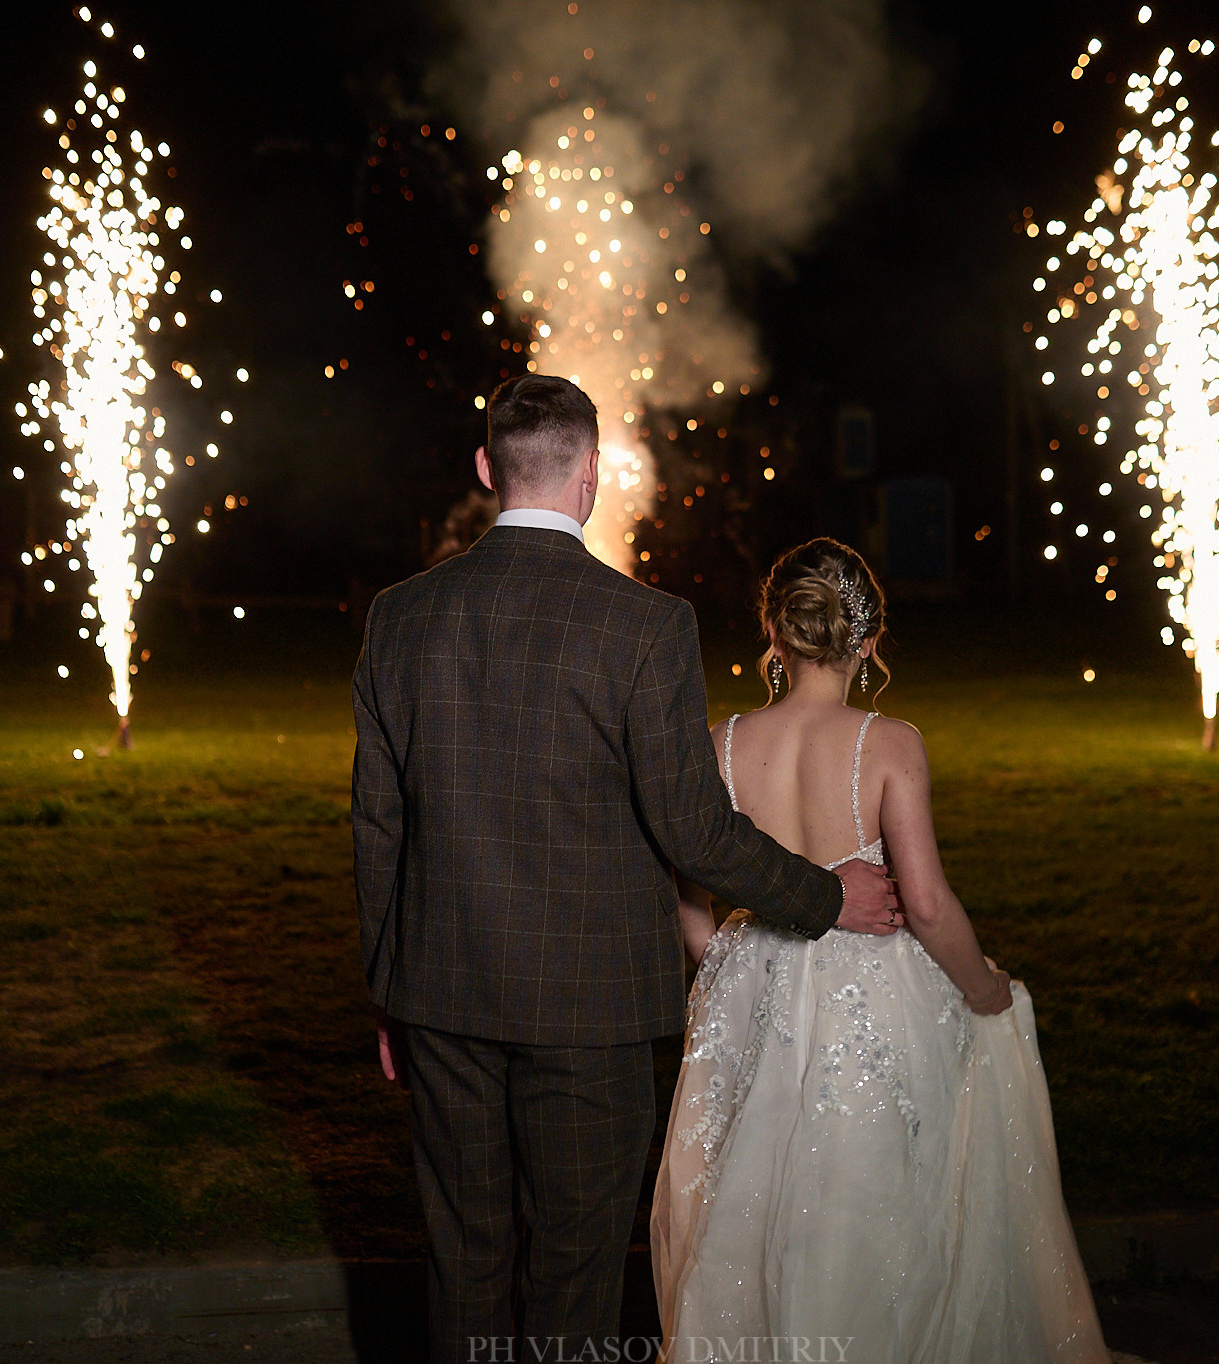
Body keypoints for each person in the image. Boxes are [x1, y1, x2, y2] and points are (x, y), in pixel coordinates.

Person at [352, 377, 901, 1362]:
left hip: (439, 991)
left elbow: (376, 824)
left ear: (486, 470)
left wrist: (387, 991)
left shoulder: (399, 615)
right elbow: (694, 830)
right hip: (588, 1005)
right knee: (574, 1258)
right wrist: (823, 893)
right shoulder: (644, 625)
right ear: (592, 474)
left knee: (463, 1253)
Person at [653, 539, 1111, 1363]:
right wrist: (982, 990)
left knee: (746, 1205)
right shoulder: (889, 742)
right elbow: (927, 902)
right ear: (867, 642)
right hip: (872, 998)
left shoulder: (718, 743)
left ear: (773, 628)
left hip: (750, 986)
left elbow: (690, 906)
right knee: (868, 1205)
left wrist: (727, 976)